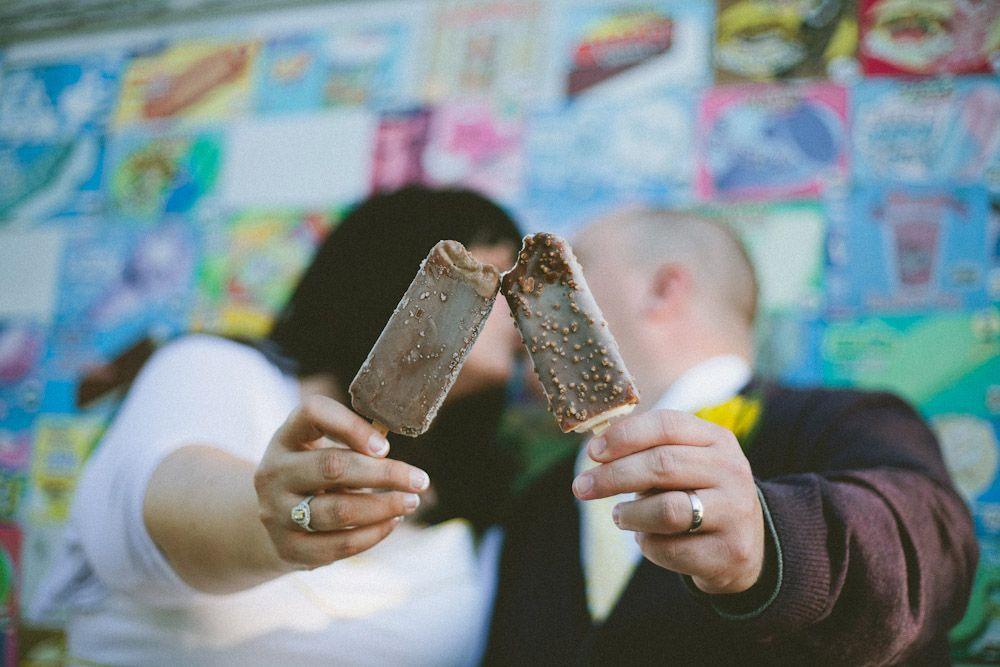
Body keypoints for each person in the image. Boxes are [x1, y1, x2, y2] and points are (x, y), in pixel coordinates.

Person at [31, 185, 524, 666]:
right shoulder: (219, 371)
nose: (519, 300)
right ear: (407, 275)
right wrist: (273, 515)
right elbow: (158, 500)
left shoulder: (478, 494)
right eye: (498, 271)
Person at [483, 207, 978, 665]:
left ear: (663, 289)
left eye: (569, 269)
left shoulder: (847, 422)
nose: (525, 300)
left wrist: (773, 543)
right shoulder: (538, 502)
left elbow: (935, 552)